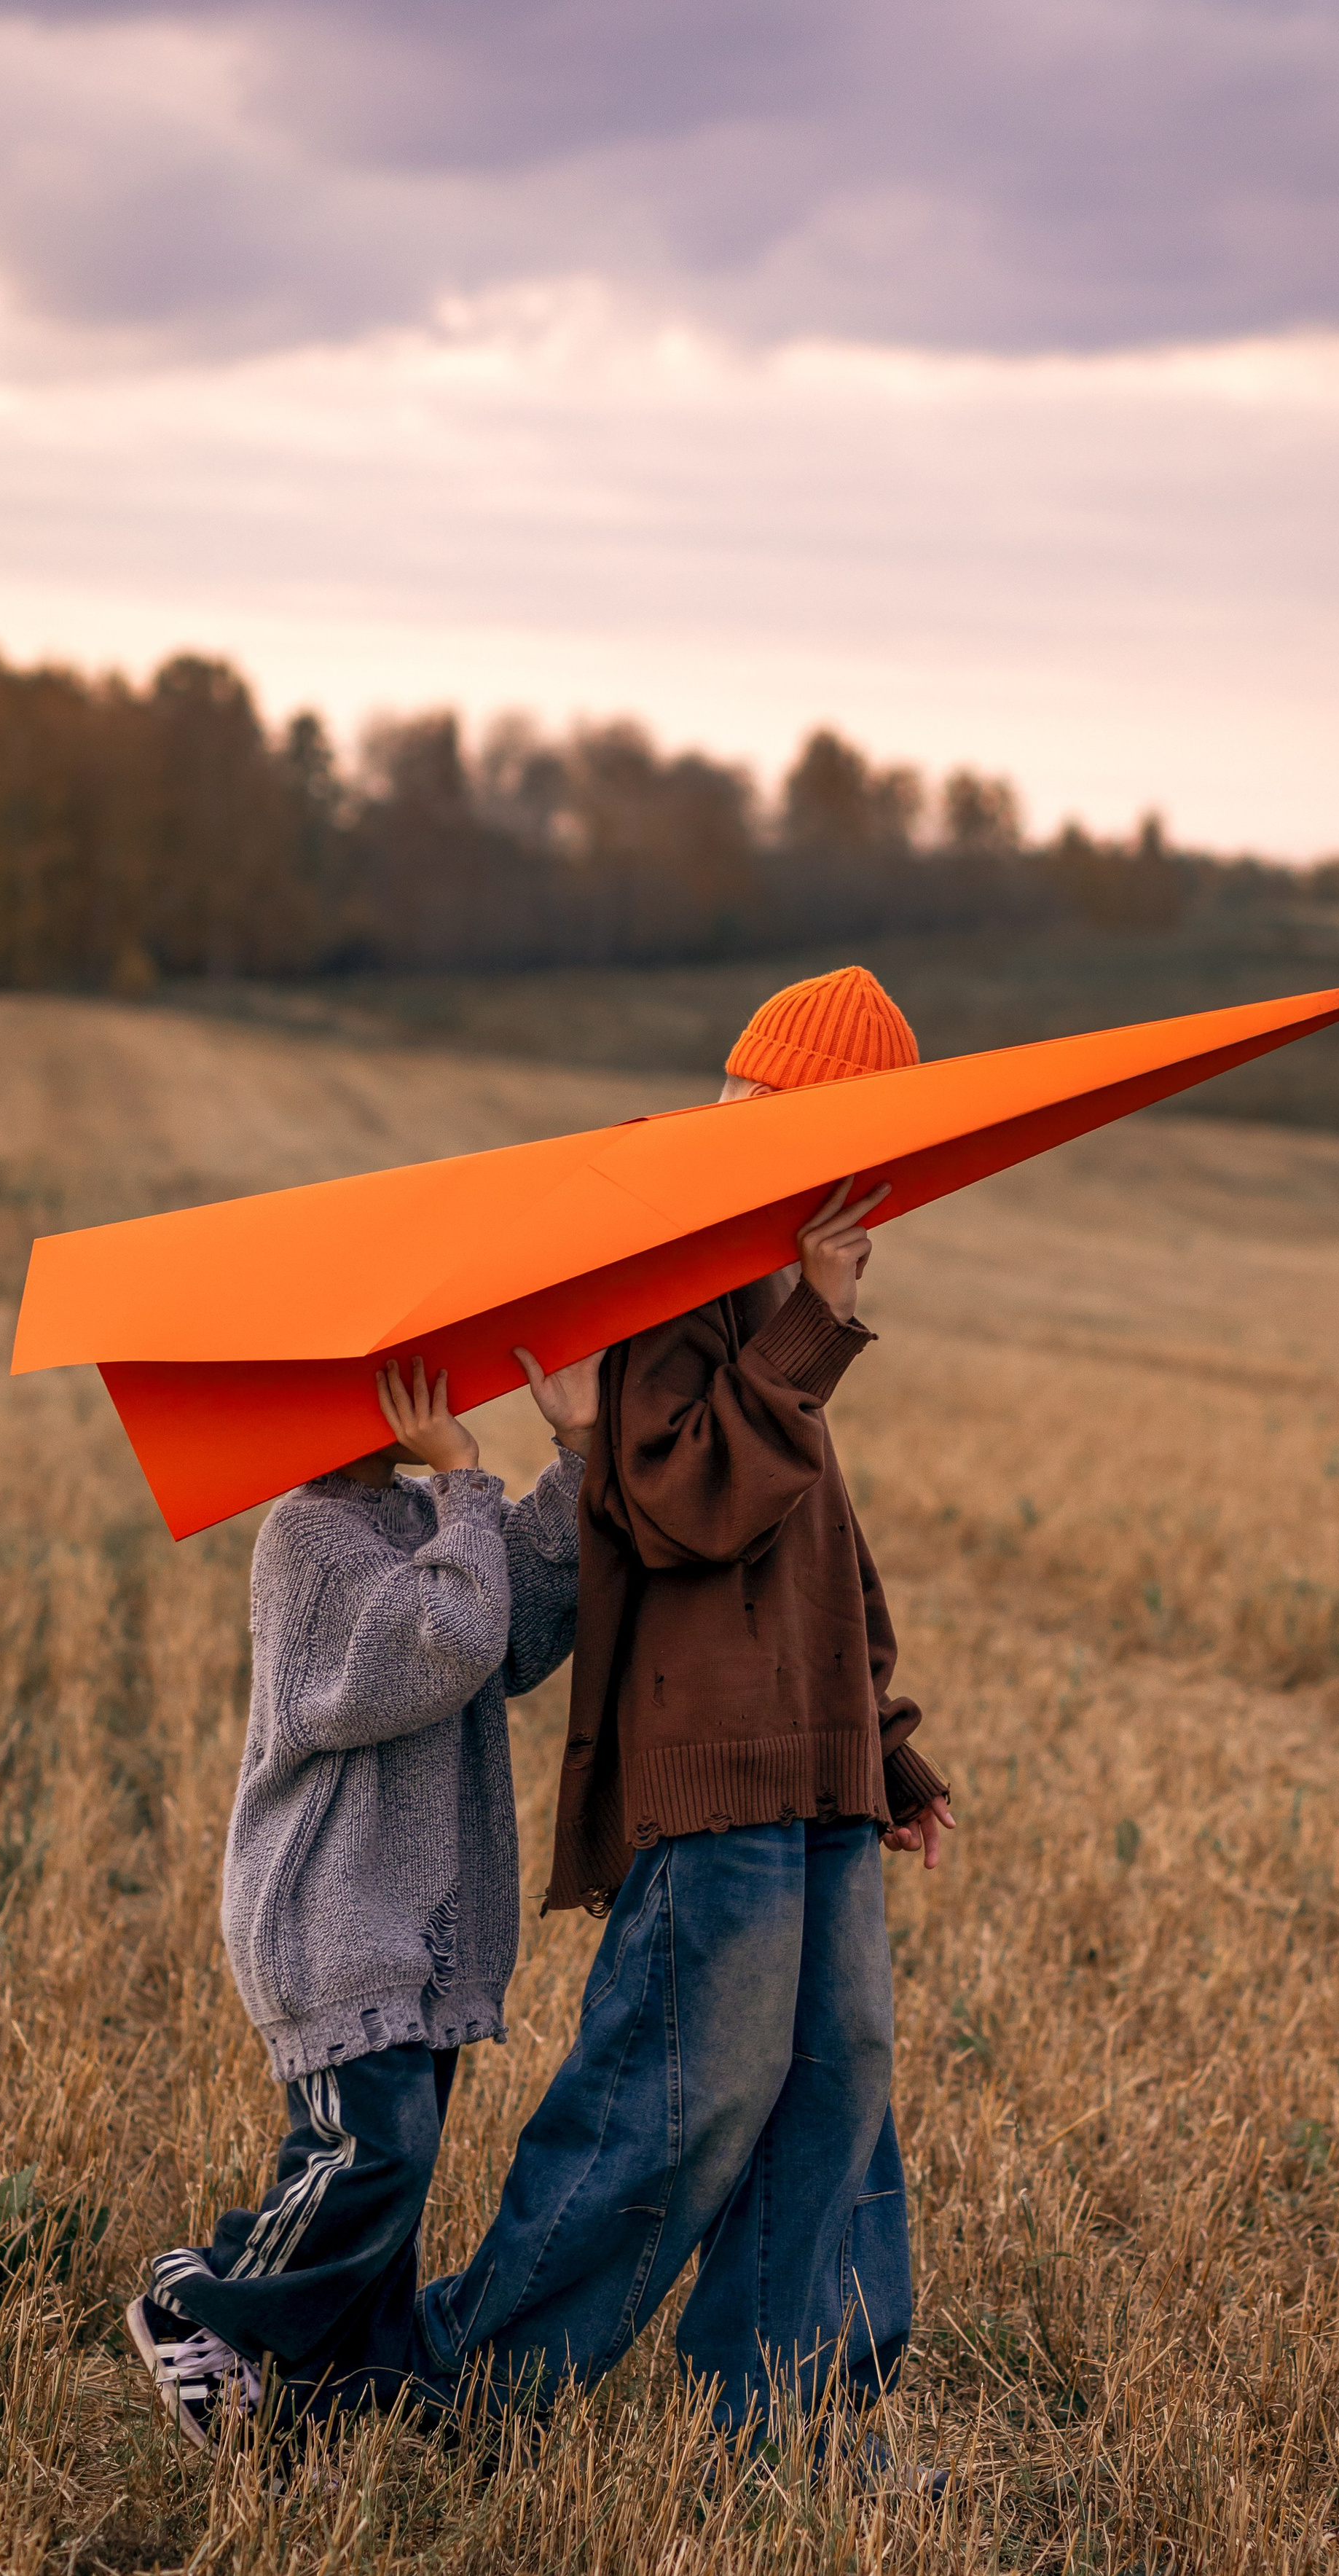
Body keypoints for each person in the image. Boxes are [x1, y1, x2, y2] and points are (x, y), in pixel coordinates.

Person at [411, 964, 957, 2448]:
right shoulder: (657, 1270)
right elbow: (682, 1508)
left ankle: (790, 2413)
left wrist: (886, 1743)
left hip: (819, 1763)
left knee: (832, 2081)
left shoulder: (767, 1279)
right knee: (681, 2094)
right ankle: (476, 2374)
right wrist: (816, 1332)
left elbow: (821, 1552)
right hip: (707, 1762)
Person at [125, 1342, 601, 2448]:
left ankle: (346, 2397)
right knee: (367, 2155)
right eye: (413, 1384)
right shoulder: (308, 1540)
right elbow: (450, 1634)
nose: (439, 1397)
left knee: (402, 2170)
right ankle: (200, 2299)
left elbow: (516, 1625)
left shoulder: (396, 1520)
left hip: (412, 1923)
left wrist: (573, 1455)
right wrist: (464, 1476)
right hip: (331, 1919)